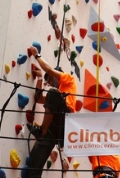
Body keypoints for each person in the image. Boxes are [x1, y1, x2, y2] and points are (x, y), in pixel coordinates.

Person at [26, 46, 77, 178]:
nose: (49, 82)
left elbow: (48, 70)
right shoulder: (54, 98)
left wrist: (37, 55)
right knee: (36, 157)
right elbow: (38, 98)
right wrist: (40, 79)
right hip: (56, 127)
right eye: (48, 81)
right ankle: (43, 135)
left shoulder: (68, 80)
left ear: (57, 75)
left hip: (66, 119)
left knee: (53, 93)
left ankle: (42, 131)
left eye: (50, 79)